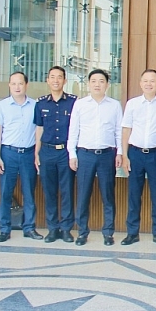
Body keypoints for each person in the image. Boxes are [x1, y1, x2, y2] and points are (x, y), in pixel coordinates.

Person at [67, 69, 123, 246]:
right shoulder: (80, 104)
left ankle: (108, 233)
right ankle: (82, 232)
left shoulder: (114, 105)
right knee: (83, 195)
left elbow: (119, 131)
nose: (97, 84)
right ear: (88, 84)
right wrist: (72, 154)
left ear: (107, 84)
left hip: (107, 155)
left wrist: (120, 152)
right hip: (85, 154)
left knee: (108, 195)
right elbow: (73, 130)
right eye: (94, 81)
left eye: (101, 81)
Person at [121, 69, 156, 247]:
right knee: (134, 194)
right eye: (145, 81)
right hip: (135, 153)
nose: (149, 84)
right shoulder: (132, 104)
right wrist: (125, 155)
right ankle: (132, 233)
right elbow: (126, 130)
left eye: (152, 81)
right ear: (140, 83)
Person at [0, 71, 43, 242]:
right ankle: (4, 229)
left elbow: (38, 131)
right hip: (8, 153)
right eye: (13, 83)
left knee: (29, 192)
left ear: (26, 85)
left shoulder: (35, 105)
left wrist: (37, 153)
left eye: (20, 83)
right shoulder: (1, 106)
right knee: (5, 192)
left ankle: (29, 227)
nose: (17, 87)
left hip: (28, 153)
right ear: (9, 85)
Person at [34, 66, 77, 244]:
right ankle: (52, 228)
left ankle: (66, 229)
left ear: (65, 81)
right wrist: (37, 152)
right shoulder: (41, 103)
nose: (56, 80)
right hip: (47, 151)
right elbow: (39, 128)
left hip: (66, 152)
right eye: (52, 77)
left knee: (67, 191)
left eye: (59, 77)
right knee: (49, 191)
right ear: (48, 80)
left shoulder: (74, 102)